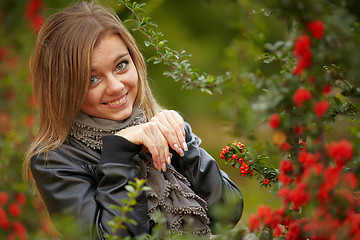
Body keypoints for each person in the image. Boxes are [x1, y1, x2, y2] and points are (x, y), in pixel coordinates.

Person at [24, 1, 243, 239]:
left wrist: (184, 146)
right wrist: (118, 153)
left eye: (121, 65)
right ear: (63, 88)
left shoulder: (161, 125)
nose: (116, 87)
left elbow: (229, 213)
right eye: (92, 79)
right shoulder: (54, 162)